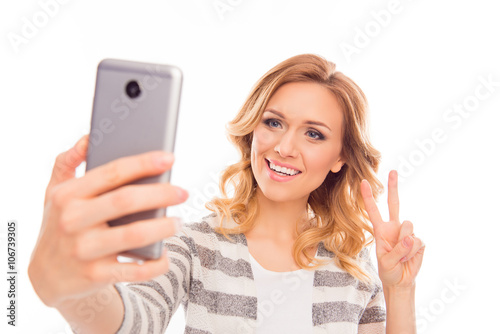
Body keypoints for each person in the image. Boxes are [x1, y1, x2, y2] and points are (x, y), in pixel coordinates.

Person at [28, 54, 425, 333]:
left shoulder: (351, 267)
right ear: (253, 129)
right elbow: (133, 324)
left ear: (339, 157)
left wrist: (400, 290)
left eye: (314, 133)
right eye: (274, 122)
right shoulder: (193, 244)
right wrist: (74, 293)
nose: (285, 147)